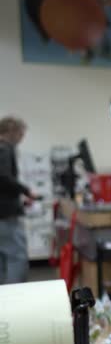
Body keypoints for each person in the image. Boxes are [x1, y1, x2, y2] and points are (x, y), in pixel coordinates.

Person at [0, 116, 40, 284]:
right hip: (7, 216)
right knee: (17, 258)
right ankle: (16, 300)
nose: (21, 139)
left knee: (2, 260)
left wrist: (19, 200)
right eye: (21, 135)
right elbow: (3, 177)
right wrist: (27, 191)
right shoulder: (5, 149)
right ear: (12, 132)